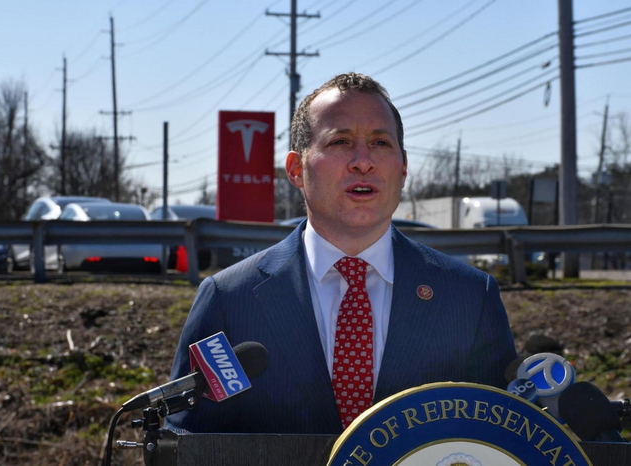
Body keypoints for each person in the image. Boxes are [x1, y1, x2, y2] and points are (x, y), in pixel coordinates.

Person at [166, 72, 517, 434]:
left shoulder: (470, 298)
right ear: (296, 169)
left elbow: (501, 440)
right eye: (340, 142)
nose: (363, 162)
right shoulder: (230, 300)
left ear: (404, 167)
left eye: (381, 143)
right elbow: (187, 444)